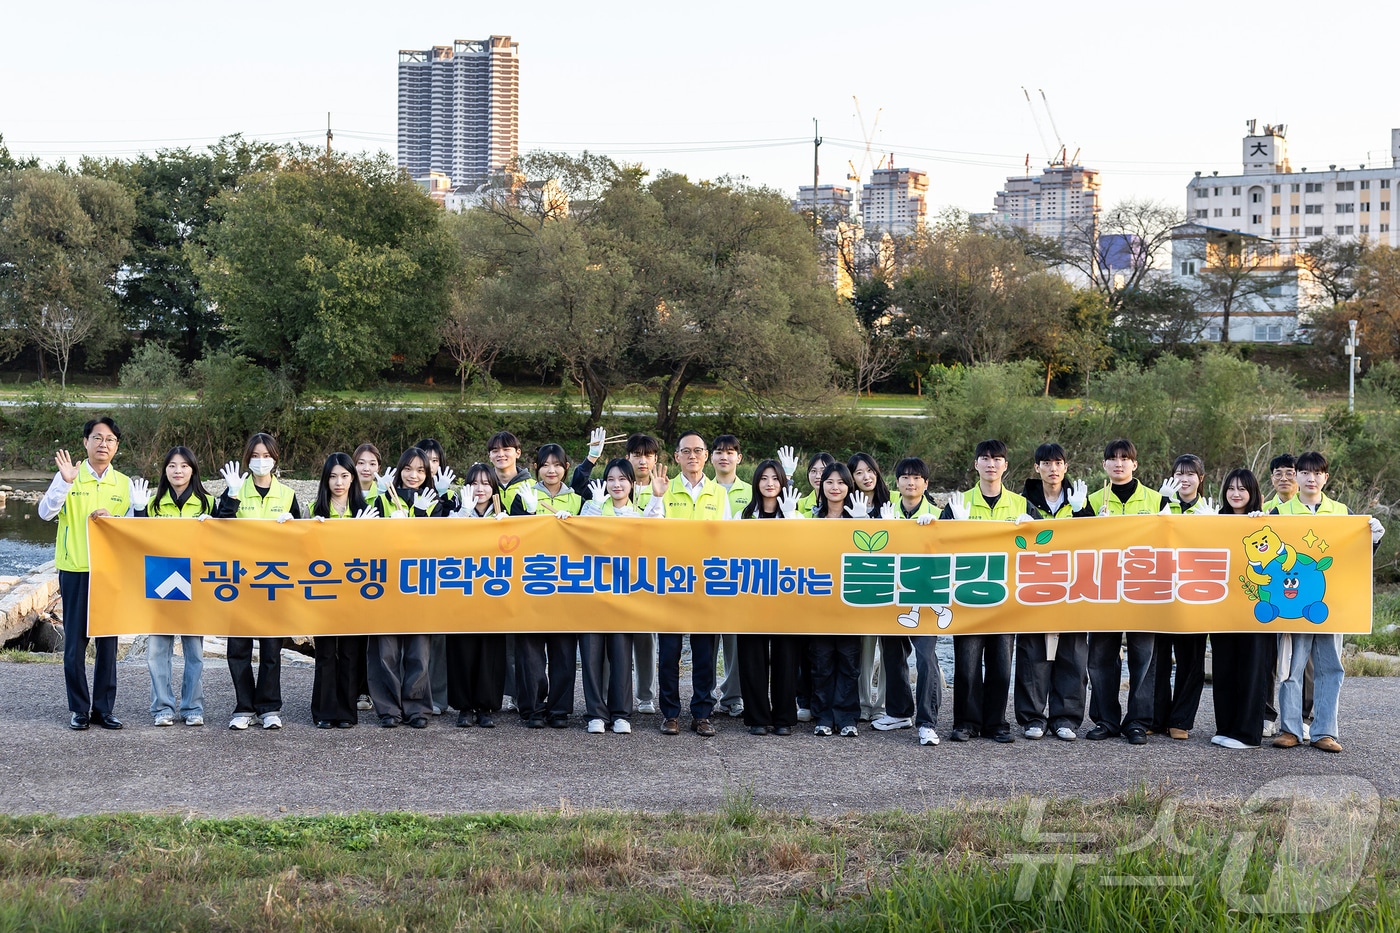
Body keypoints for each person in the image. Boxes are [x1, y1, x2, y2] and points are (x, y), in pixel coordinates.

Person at [1271, 451, 1385, 753]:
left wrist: (1373, 539)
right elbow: (1265, 558)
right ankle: (1290, 729)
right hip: (1292, 606)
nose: (1310, 478)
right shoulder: (1280, 514)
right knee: (1292, 669)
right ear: (1297, 477)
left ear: (1325, 477)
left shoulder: (1343, 512)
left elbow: (1355, 560)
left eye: (1317, 473)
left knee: (1330, 667)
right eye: (1304, 472)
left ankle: (1324, 731)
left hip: (1331, 604)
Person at [38, 417, 136, 731]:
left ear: (117, 446)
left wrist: (113, 520)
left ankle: (104, 710)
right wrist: (65, 483)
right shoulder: (69, 476)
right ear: (85, 442)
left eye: (109, 439)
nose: (102, 444)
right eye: (96, 437)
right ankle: (79, 709)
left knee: (108, 643)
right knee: (75, 643)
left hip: (109, 573)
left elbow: (134, 528)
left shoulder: (123, 483)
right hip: (75, 568)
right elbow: (45, 513)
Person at [941, 440, 1039, 744]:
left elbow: (1045, 550)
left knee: (1000, 665)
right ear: (976, 464)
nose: (991, 464)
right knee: (967, 667)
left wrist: (1034, 526)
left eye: (997, 459)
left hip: (1005, 598)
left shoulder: (1022, 505)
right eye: (985, 458)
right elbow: (938, 548)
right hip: (968, 596)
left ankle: (997, 722)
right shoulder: (960, 503)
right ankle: (966, 722)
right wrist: (949, 526)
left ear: (1006, 466)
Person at [1082, 438, 1169, 746]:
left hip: (1142, 592)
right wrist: (1087, 521)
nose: (1118, 463)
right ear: (1104, 464)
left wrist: (1168, 513)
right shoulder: (1092, 501)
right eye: (1112, 458)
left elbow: (1170, 544)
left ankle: (1137, 721)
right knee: (1101, 658)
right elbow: (1078, 547)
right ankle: (1106, 719)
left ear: (1135, 464)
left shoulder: (1156, 499)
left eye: (1125, 458)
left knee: (1143, 658)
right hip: (1103, 590)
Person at [216, 432, 301, 731]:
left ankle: (268, 707)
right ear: (247, 458)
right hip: (238, 580)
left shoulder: (288, 495)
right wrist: (232, 495)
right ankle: (244, 707)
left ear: (276, 459)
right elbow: (218, 529)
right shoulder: (236, 490)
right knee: (238, 649)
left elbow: (302, 543)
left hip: (273, 581)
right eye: (256, 455)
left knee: (271, 649)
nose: (261, 461)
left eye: (267, 456)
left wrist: (293, 528)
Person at [578, 459, 663, 734]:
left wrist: (658, 498)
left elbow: (656, 529)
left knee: (621, 654)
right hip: (591, 593)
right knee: (591, 655)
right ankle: (595, 713)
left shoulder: (637, 514)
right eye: (611, 479)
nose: (616, 484)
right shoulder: (593, 509)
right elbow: (577, 534)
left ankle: (620, 713)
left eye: (622, 479)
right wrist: (591, 507)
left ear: (631, 483)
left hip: (624, 596)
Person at [1014, 443, 1089, 741]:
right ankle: (1032, 717)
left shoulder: (1080, 499)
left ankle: (1066, 718)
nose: (1052, 468)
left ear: (1066, 467)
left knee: (1072, 653)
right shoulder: (1022, 502)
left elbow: (1097, 540)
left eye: (1058, 462)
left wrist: (1084, 510)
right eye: (1046, 463)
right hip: (1035, 587)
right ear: (1037, 468)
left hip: (1074, 586)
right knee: (1032, 652)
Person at [136, 446, 214, 728]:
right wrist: (138, 510)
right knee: (158, 651)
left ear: (193, 469)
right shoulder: (154, 504)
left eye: (183, 465)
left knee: (194, 651)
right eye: (171, 465)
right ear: (165, 470)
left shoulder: (208, 503)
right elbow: (138, 539)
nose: (177, 471)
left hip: (196, 585)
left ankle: (192, 706)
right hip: (161, 583)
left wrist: (223, 511)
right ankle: (162, 707)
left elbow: (225, 540)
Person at [656, 429, 728, 737]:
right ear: (677, 457)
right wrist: (657, 497)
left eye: (698, 450)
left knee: (704, 655)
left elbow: (727, 539)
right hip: (670, 582)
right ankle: (670, 713)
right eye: (686, 451)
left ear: (706, 456)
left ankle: (702, 713)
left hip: (706, 583)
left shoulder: (719, 493)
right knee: (669, 654)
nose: (693, 456)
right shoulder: (664, 489)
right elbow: (650, 531)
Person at [370, 446, 444, 728]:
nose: (414, 475)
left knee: (418, 652)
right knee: (386, 652)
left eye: (421, 470)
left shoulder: (433, 502)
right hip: (385, 585)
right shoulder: (382, 499)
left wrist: (422, 518)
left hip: (420, 585)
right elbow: (367, 537)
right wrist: (378, 502)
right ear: (399, 470)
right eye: (408, 469)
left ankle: (417, 709)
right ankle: (389, 708)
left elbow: (439, 545)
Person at [872, 457, 944, 746]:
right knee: (892, 654)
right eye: (904, 477)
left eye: (916, 478)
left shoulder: (940, 514)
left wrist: (938, 528)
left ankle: (927, 722)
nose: (910, 483)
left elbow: (953, 553)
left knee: (926, 658)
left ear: (925, 484)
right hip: (892, 595)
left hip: (925, 597)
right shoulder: (884, 510)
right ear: (897, 482)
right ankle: (900, 712)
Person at [514, 446, 582, 730]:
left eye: (557, 465)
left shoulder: (578, 499)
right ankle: (532, 708)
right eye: (545, 465)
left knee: (564, 651)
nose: (551, 470)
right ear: (535, 466)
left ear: (566, 467)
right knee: (529, 651)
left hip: (567, 582)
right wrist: (527, 512)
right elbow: (512, 536)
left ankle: (559, 709)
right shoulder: (524, 493)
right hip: (531, 580)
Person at [734, 459, 803, 736]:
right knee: (752, 658)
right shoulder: (743, 515)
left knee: (786, 658)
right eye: (763, 478)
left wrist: (790, 517)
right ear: (756, 483)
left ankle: (784, 717)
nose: (770, 483)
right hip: (750, 595)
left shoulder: (794, 514)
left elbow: (805, 549)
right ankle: (757, 717)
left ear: (783, 482)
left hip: (786, 597)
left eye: (775, 478)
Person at [1209, 469, 1277, 749]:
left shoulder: (1264, 523)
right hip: (1223, 608)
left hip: (1256, 610)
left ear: (1253, 494)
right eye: (1231, 488)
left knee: (1253, 670)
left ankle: (1249, 734)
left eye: (1243, 489)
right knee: (1224, 668)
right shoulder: (1214, 522)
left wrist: (1265, 524)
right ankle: (1226, 727)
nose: (1236, 494)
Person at [308, 453, 377, 729]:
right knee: (325, 652)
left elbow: (377, 552)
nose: (339, 482)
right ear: (326, 479)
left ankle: (347, 711)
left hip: (355, 593)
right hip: (324, 591)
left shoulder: (365, 510)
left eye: (345, 476)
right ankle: (324, 711)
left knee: (350, 653)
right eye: (333, 476)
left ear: (353, 478)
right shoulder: (315, 510)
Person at [1151, 454, 1217, 740]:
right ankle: (1156, 717)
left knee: (1191, 661)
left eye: (1190, 474)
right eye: (1179, 473)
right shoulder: (1162, 504)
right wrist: (1160, 509)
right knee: (1159, 659)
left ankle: (1181, 720)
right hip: (1162, 593)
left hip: (1195, 596)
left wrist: (1216, 526)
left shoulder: (1210, 511)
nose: (1184, 479)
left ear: (1200, 478)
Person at [444, 463, 513, 728]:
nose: (480, 488)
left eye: (486, 483)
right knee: (461, 649)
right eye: (474, 483)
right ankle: (464, 706)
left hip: (494, 595)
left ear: (494, 488)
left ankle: (486, 706)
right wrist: (462, 514)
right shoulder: (457, 513)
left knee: (490, 651)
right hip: (461, 593)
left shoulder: (504, 514)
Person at [810, 461, 868, 737]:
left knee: (849, 662)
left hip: (850, 602)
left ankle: (846, 718)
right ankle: (822, 716)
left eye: (841, 482)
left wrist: (862, 523)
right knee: (821, 662)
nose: (835, 487)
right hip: (819, 600)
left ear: (849, 486)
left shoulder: (859, 516)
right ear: (822, 486)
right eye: (829, 482)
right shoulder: (811, 518)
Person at [848, 452, 893, 723]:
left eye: (870, 471)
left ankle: (883, 703)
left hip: (890, 586)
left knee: (889, 649)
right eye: (859, 472)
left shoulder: (891, 503)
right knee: (864, 647)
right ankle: (863, 702)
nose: (866, 477)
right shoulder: (847, 506)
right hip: (861, 586)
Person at [415, 436, 458, 717]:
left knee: (440, 640)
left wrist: (444, 497)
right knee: (415, 640)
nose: (430, 466)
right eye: (424, 461)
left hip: (441, 574)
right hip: (409, 576)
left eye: (434, 460)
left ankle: (439, 698)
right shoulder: (400, 490)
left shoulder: (451, 495)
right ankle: (414, 695)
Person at [710, 434, 750, 719]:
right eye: (719, 452)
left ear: (739, 458)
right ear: (711, 457)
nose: (724, 456)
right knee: (706, 637)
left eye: (730, 452)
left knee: (735, 640)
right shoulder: (702, 489)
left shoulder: (751, 491)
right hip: (707, 572)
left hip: (740, 573)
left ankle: (734, 696)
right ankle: (706, 693)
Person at [349, 442, 384, 712]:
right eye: (361, 462)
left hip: (377, 574)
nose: (367, 468)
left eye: (372, 463)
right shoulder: (341, 493)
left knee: (374, 638)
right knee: (352, 637)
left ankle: (369, 690)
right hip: (348, 574)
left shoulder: (384, 496)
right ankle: (354, 688)